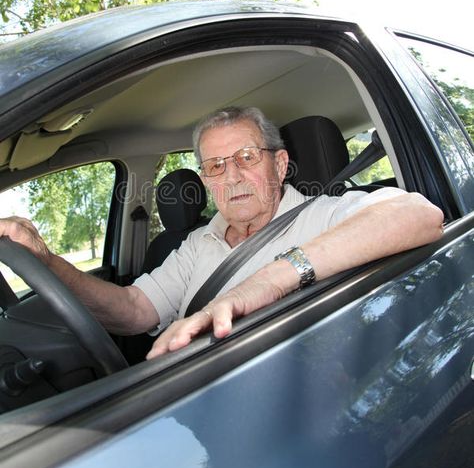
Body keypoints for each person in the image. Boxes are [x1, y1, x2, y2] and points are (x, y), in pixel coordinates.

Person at [0, 107, 444, 360]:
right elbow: (133, 312)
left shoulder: (324, 217)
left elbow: (420, 214)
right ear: (207, 180)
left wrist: (265, 282)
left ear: (281, 164)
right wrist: (46, 259)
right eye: (215, 166)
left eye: (247, 157)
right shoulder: (197, 242)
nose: (231, 177)